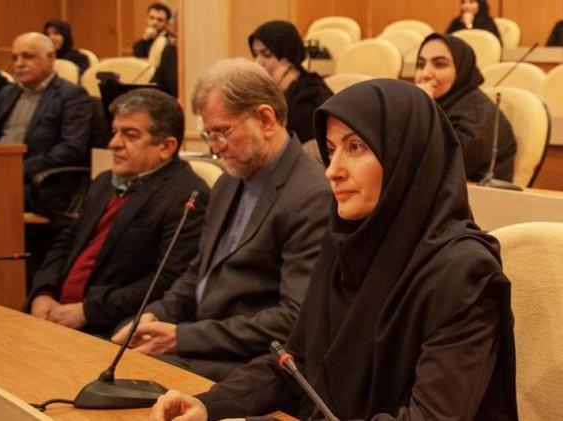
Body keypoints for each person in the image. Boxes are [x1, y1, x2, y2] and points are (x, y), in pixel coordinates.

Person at [149, 79, 518, 421]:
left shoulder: (463, 271)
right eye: (330, 150)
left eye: (355, 147)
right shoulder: (346, 243)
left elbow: (432, 418)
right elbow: (295, 365)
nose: (332, 170)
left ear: (405, 154)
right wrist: (209, 403)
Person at [111, 58, 330, 381]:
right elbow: (199, 272)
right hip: (200, 343)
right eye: (208, 135)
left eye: (222, 133)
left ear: (265, 119)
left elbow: (293, 318)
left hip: (250, 367)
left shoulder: (311, 196)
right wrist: (156, 315)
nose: (215, 148)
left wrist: (182, 338)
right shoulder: (229, 180)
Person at [25, 88, 209, 337]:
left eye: (130, 135)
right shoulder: (104, 182)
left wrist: (87, 311)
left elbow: (166, 281)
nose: (113, 144)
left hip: (106, 326)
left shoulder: (188, 196)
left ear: (166, 147)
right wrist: (43, 292)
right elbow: (67, 242)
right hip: (52, 312)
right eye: (114, 132)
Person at [0, 32, 92, 213]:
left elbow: (71, 148)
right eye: (14, 58)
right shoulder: (7, 93)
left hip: (41, 182)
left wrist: (21, 169)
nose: (19, 64)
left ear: (50, 57)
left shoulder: (72, 96)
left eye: (27, 57)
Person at [415, 33, 516, 182]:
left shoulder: (479, 112)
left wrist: (423, 110)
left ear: (462, 69)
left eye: (440, 64)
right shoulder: (440, 105)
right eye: (420, 65)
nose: (425, 74)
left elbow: (444, 165)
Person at [248, 20, 332, 145]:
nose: (258, 63)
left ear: (288, 57)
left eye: (267, 55)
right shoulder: (263, 92)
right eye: (255, 55)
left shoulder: (312, 98)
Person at [132, 2, 178, 97]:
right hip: (144, 81)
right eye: (151, 18)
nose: (155, 22)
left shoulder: (171, 42)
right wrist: (145, 39)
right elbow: (138, 61)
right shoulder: (141, 43)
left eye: (160, 20)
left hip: (162, 86)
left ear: (167, 22)